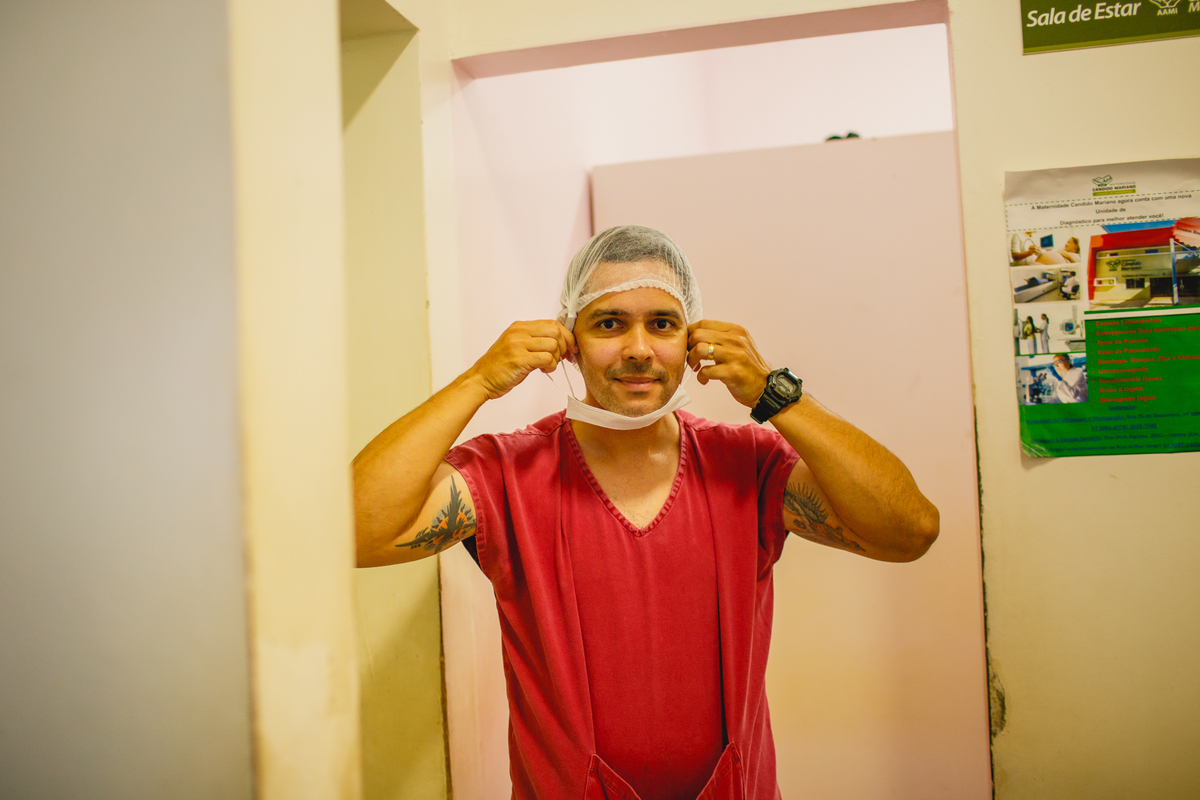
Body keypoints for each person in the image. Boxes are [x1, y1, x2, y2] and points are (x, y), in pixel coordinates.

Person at [352, 225, 939, 800]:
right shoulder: (507, 475)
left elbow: (909, 530)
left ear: (692, 341)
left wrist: (774, 392)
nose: (638, 349)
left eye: (662, 324)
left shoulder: (748, 467)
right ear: (570, 340)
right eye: (609, 323)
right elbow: (351, 532)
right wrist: (478, 381)